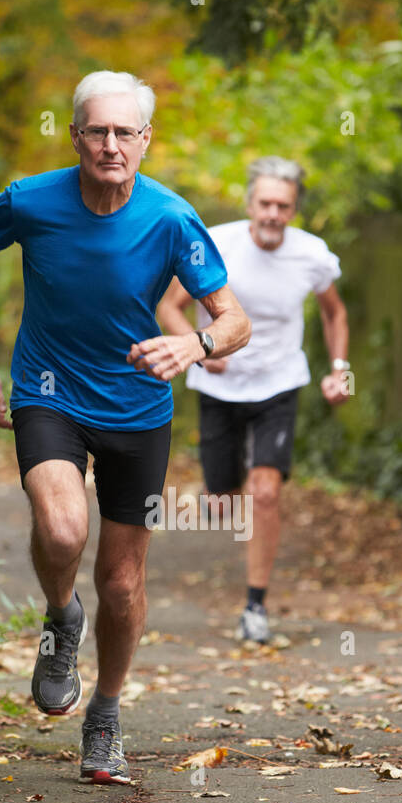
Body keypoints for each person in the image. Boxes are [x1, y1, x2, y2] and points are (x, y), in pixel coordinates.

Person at [0, 71, 250, 783]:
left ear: (144, 141)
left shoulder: (172, 218)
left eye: (125, 132)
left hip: (139, 409)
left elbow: (234, 320)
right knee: (61, 529)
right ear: (75, 135)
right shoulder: (31, 201)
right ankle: (59, 617)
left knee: (120, 583)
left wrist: (193, 345)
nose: (110, 144)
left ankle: (106, 712)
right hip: (48, 392)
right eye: (97, 131)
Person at [157, 156, 350, 643]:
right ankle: (217, 497)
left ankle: (255, 607)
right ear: (249, 204)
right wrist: (198, 352)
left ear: (294, 210)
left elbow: (335, 315)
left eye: (282, 205)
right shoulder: (217, 243)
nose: (272, 213)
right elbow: (168, 305)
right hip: (220, 387)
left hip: (279, 383)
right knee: (224, 503)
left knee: (265, 492)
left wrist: (339, 371)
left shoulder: (312, 255)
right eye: (264, 203)